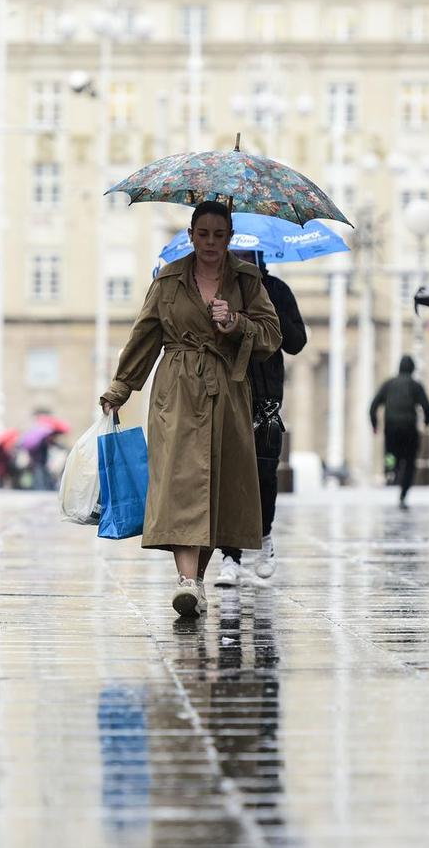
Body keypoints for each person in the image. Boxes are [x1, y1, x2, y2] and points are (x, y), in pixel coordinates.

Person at [99, 201, 282, 618]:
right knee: (182, 482)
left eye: (220, 235)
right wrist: (121, 387)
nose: (211, 243)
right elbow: (145, 335)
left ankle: (196, 582)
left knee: (215, 487)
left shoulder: (248, 281)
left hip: (227, 393)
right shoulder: (168, 279)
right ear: (191, 234)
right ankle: (185, 580)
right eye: (204, 234)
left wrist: (237, 323)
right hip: (177, 391)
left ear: (230, 237)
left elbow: (272, 335)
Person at [213, 250, 307, 587]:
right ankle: (230, 556)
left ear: (258, 256)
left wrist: (268, 312)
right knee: (229, 475)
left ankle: (264, 537)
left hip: (265, 396)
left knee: (265, 473)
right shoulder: (219, 290)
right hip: (228, 390)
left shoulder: (277, 290)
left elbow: (297, 343)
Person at [369, 356, 429, 510]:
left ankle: (391, 470)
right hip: (409, 427)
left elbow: (374, 405)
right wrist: (426, 422)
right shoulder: (416, 385)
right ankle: (404, 490)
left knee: (390, 452)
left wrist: (375, 424)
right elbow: (426, 406)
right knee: (409, 460)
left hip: (391, 427)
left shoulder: (388, 384)